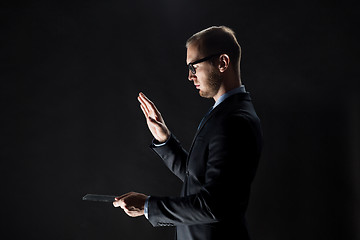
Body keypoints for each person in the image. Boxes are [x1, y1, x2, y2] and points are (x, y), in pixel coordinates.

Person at [113, 26, 263, 240]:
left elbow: (214, 205)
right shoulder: (223, 113)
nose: (190, 77)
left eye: (194, 67)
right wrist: (164, 139)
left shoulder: (235, 121)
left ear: (222, 62)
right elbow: (197, 177)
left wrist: (147, 206)